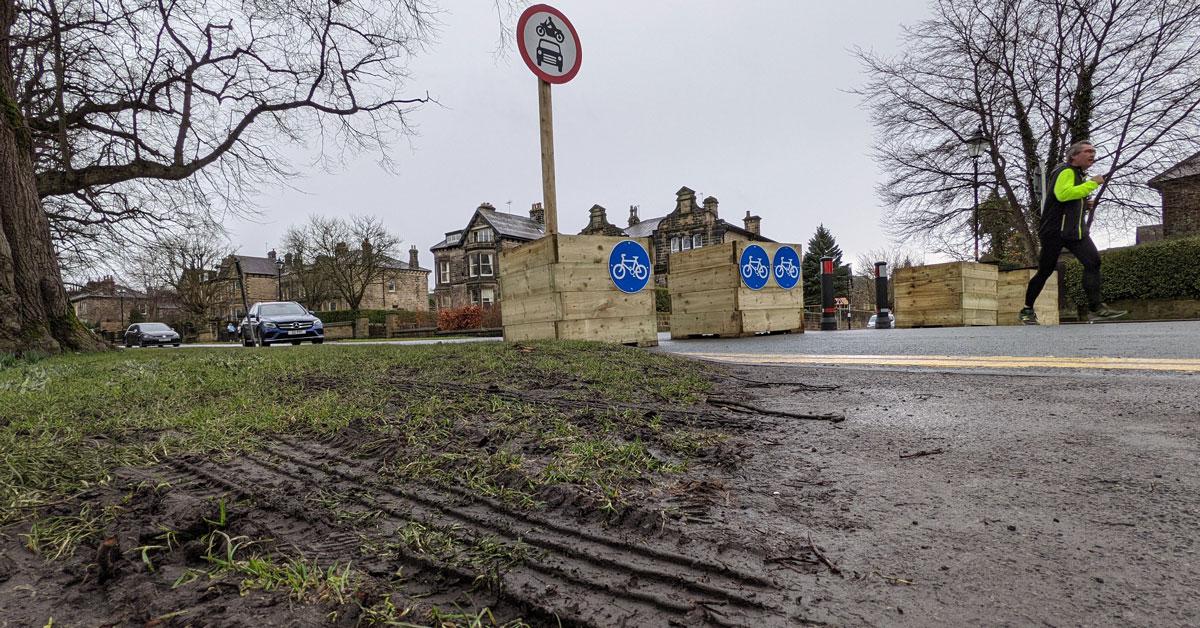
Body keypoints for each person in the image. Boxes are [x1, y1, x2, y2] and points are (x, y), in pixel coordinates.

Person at [1020, 141, 1127, 324]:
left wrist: (1083, 204)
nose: (1092, 154)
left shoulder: (1077, 174)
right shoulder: (1066, 171)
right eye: (1088, 151)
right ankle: (1027, 310)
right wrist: (1092, 184)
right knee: (1045, 271)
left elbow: (1067, 201)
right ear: (1074, 156)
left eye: (1093, 152)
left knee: (1093, 262)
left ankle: (1096, 308)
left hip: (1073, 231)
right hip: (1055, 232)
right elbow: (1063, 194)